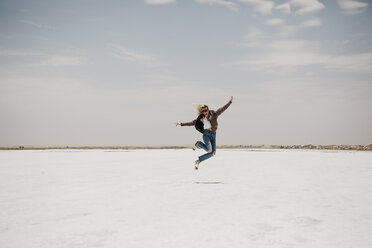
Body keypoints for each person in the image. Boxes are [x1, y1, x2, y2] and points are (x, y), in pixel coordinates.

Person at [176, 96, 233, 170]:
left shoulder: (214, 114)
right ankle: (199, 144)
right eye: (203, 111)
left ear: (208, 109)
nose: (205, 112)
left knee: (213, 153)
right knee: (209, 150)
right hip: (206, 134)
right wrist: (181, 124)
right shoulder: (201, 118)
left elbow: (223, 109)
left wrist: (230, 102)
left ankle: (198, 161)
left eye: (206, 110)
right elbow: (192, 123)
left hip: (213, 135)